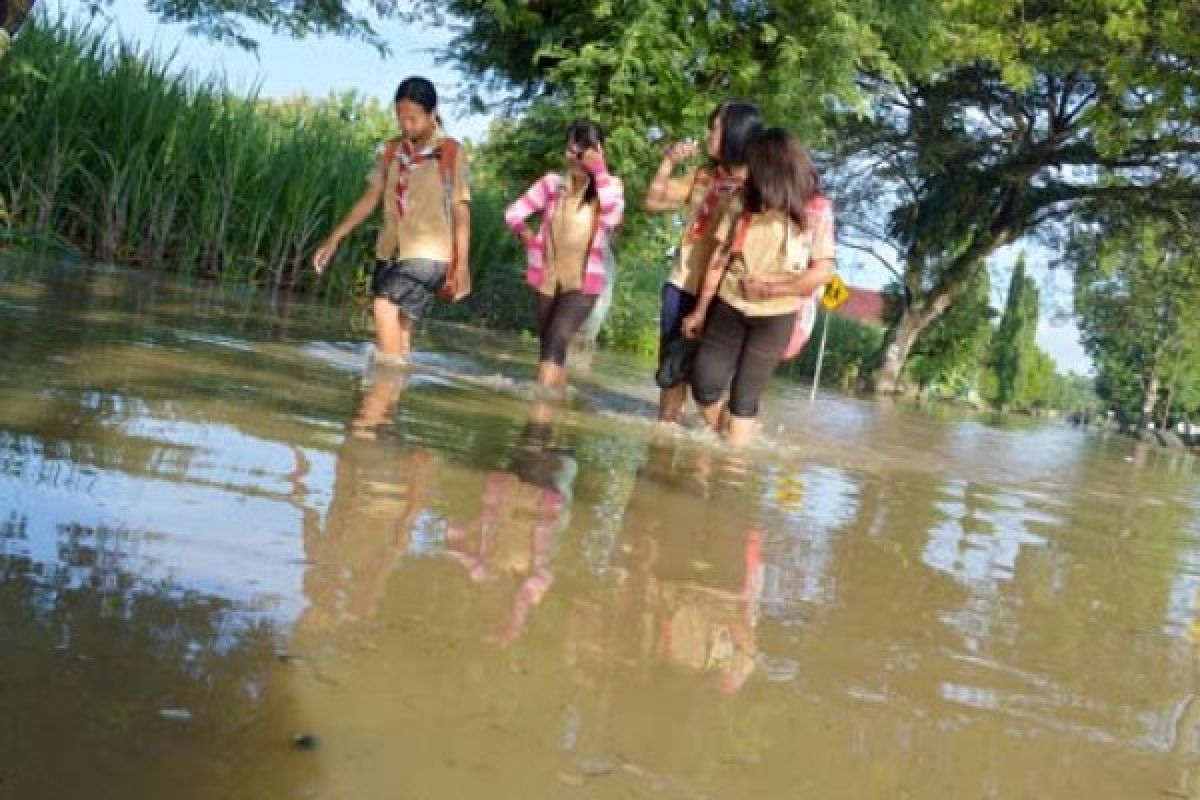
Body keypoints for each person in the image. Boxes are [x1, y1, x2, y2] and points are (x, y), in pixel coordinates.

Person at [682, 128, 836, 447]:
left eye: (756, 166)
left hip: (777, 315)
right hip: (730, 302)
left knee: (744, 397)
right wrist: (699, 311)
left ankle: (732, 471)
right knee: (704, 383)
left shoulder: (815, 210)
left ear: (774, 168)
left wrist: (771, 290)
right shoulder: (742, 201)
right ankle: (728, 439)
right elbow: (719, 258)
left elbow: (822, 272)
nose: (749, 171)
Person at [312, 76, 471, 366]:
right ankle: (388, 401)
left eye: (413, 119)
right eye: (401, 118)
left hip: (429, 255)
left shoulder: (450, 152)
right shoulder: (391, 152)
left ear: (432, 113)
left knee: (383, 306)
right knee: (399, 335)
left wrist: (462, 266)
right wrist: (334, 238)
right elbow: (370, 199)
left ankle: (377, 398)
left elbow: (461, 210)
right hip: (391, 251)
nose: (406, 126)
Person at [642, 100, 764, 422]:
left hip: (724, 298)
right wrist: (668, 164)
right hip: (682, 285)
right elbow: (653, 201)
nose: (709, 135)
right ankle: (664, 443)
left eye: (716, 128)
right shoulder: (702, 178)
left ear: (735, 134)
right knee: (671, 370)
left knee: (708, 384)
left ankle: (726, 451)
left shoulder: (757, 190)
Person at [505, 120, 624, 389]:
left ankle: (539, 412)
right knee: (549, 346)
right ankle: (555, 412)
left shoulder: (610, 186)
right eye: (570, 149)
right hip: (548, 279)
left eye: (582, 150)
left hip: (583, 283)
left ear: (597, 151)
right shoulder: (552, 184)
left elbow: (613, 216)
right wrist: (527, 236)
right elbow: (513, 212)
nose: (574, 156)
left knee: (558, 337)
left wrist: (599, 170)